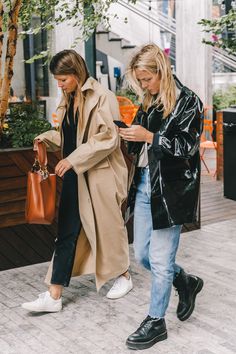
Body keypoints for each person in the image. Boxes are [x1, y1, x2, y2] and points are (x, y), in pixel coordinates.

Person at [22, 49, 133, 313]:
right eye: (57, 80)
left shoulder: (103, 97)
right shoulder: (69, 99)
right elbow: (69, 137)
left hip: (99, 176)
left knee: (108, 229)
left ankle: (124, 277)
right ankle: (54, 294)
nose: (59, 85)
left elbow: (109, 138)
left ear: (76, 72)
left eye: (63, 79)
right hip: (75, 175)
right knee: (66, 233)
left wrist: (73, 160)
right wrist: (46, 138)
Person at [118, 44, 204, 350]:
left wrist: (150, 136)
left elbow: (188, 147)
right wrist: (129, 136)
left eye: (146, 80)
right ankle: (185, 281)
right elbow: (142, 146)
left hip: (171, 190)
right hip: (144, 185)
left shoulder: (189, 101)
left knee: (160, 259)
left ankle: (156, 322)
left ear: (161, 72)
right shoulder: (149, 100)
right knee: (142, 255)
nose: (143, 85)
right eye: (140, 81)